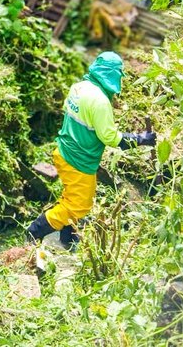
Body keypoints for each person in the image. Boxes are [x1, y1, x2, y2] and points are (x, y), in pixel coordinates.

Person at [25, 51, 156, 247]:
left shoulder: (79, 87)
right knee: (79, 204)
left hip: (64, 151)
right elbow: (111, 138)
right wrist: (141, 139)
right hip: (78, 161)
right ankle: (34, 232)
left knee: (73, 198)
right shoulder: (100, 102)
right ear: (114, 75)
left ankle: (67, 238)